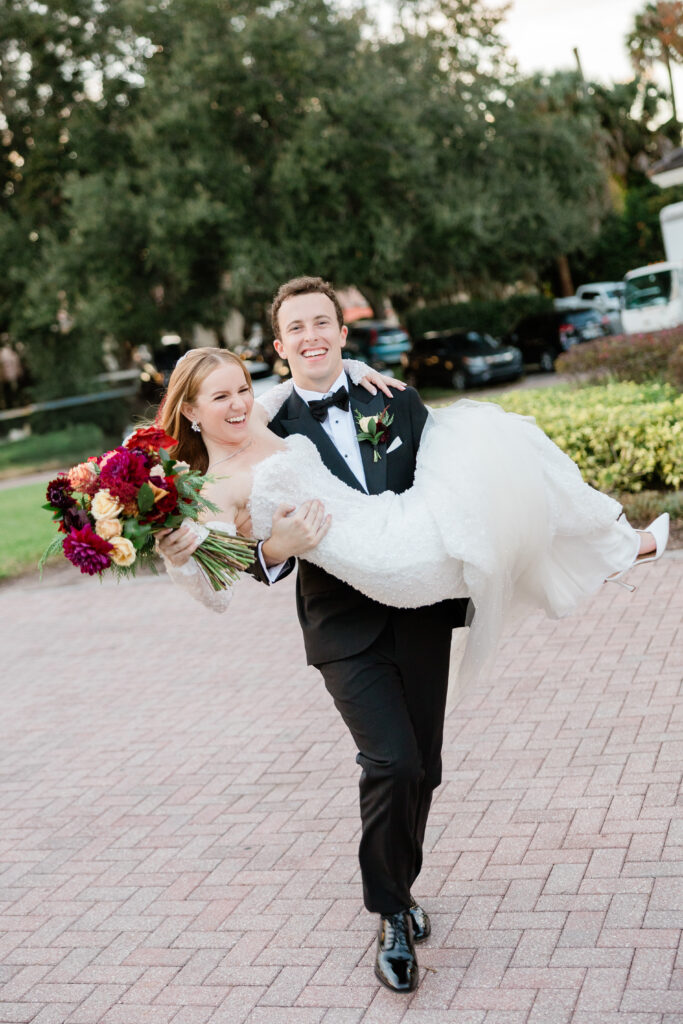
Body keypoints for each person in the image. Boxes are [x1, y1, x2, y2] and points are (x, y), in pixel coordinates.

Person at [157, 277, 668, 993]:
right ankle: (390, 913)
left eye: (322, 324)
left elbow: (451, 486)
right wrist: (263, 549)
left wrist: (361, 374)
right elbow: (230, 548)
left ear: (342, 333)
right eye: (296, 328)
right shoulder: (265, 416)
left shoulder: (389, 398)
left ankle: (610, 545)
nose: (310, 337)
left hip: (419, 603)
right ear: (279, 345)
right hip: (344, 625)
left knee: (424, 767)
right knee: (391, 763)